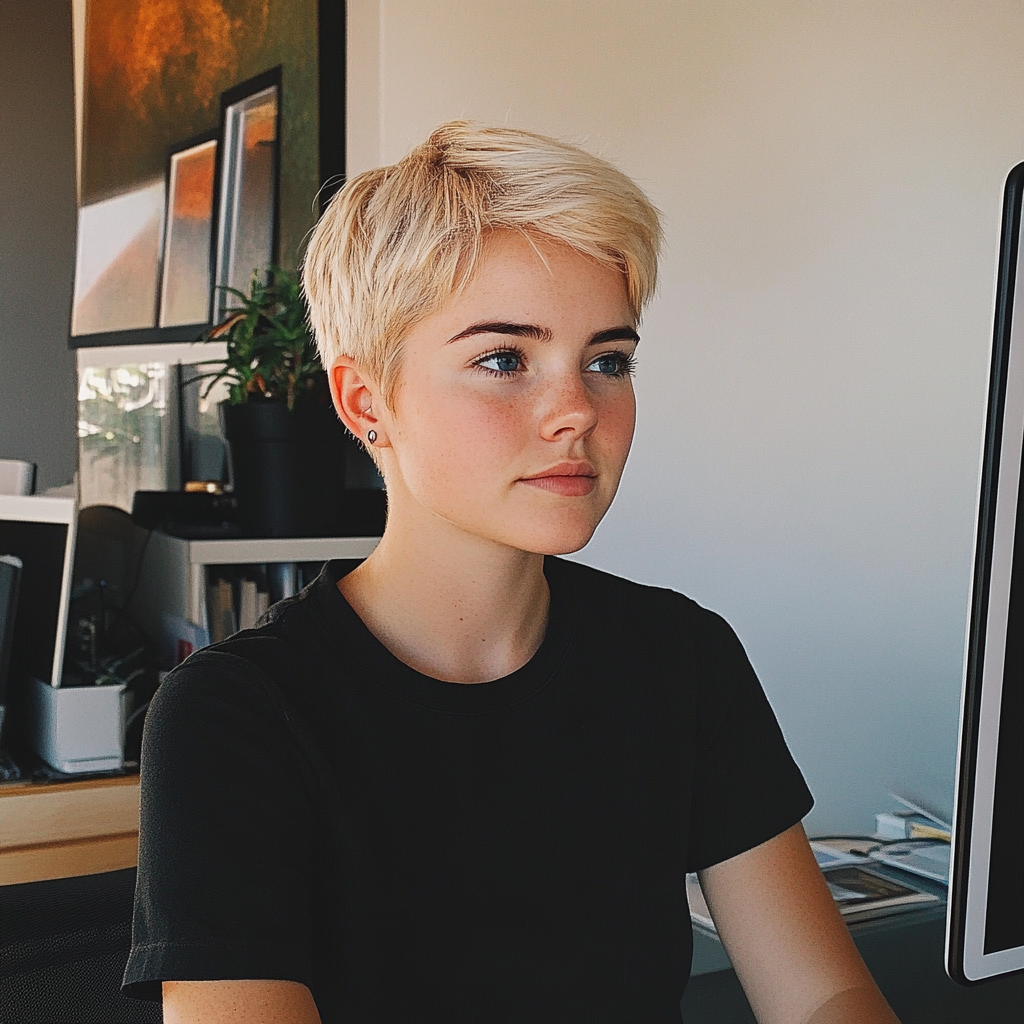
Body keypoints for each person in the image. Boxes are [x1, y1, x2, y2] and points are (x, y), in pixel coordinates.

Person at [123, 122, 899, 1023]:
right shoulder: (235, 716)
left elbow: (823, 993)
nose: (575, 410)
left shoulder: (679, 656)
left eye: (607, 360)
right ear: (366, 400)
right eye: (503, 360)